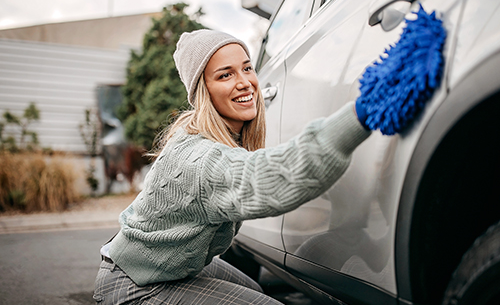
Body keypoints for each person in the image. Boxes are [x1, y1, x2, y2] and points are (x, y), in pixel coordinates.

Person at [92, 29, 373, 304]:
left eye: (247, 68)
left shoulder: (217, 142)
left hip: (161, 268)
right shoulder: (199, 158)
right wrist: (361, 112)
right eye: (225, 74)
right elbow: (273, 180)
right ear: (204, 91)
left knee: (253, 289)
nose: (245, 83)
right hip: (134, 286)